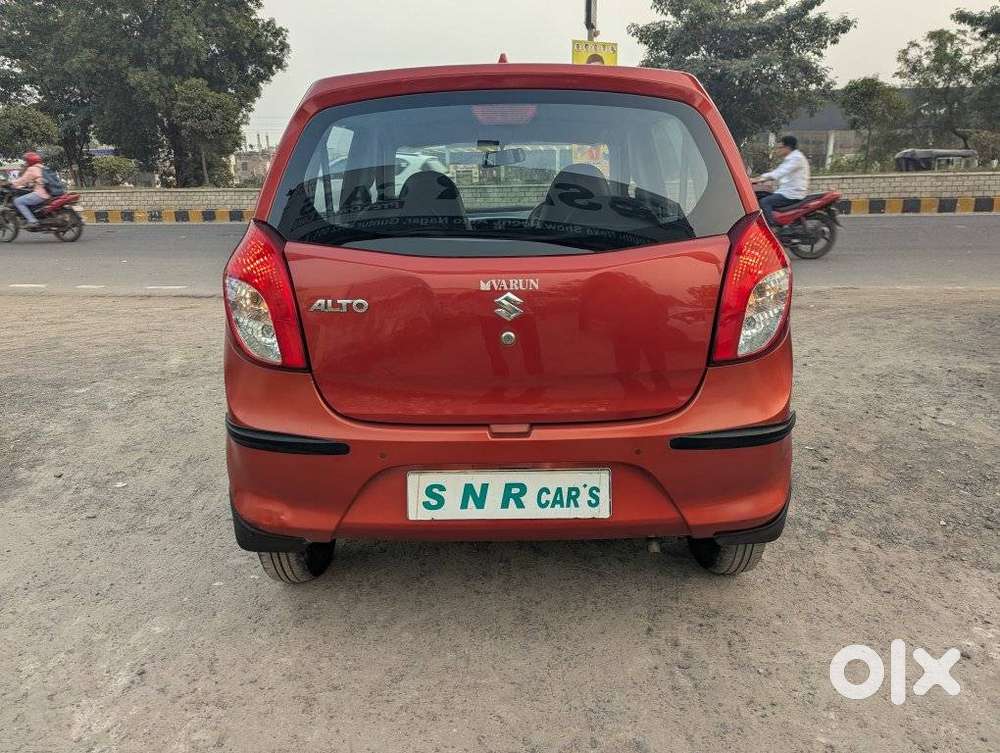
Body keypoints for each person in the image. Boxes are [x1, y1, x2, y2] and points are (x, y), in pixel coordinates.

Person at [752, 135, 810, 226]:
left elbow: (778, 173)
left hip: (791, 194)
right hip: (786, 191)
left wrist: (758, 179)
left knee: (764, 202)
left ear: (787, 147)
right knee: (763, 195)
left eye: (780, 147)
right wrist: (759, 179)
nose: (778, 150)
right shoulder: (792, 158)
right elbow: (778, 172)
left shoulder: (796, 158)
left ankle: (771, 228)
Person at [11, 151, 50, 226]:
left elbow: (23, 180)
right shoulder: (43, 167)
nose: (26, 163)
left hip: (41, 194)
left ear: (30, 161)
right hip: (49, 193)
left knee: (18, 201)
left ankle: (33, 221)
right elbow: (37, 180)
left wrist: (12, 184)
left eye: (26, 161)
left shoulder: (32, 169)